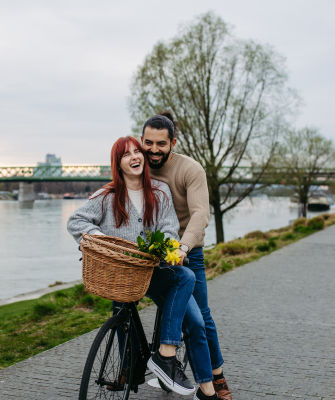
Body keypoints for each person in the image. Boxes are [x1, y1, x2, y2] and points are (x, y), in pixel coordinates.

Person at [67, 136, 218, 397]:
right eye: (127, 154)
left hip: (152, 272)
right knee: (124, 313)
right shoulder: (106, 195)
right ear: (118, 162)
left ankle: (189, 375)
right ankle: (133, 368)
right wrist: (103, 240)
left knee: (189, 295)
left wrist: (172, 249)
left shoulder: (159, 192)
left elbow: (169, 228)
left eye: (138, 151)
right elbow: (76, 221)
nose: (135, 156)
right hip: (120, 275)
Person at [141, 112, 231, 400]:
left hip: (186, 252)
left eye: (161, 144)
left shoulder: (190, 170)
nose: (153, 150)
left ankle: (216, 379)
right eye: (148, 143)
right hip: (151, 252)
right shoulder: (139, 165)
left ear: (172, 143)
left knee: (201, 319)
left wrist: (182, 247)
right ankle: (128, 368)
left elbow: (201, 213)